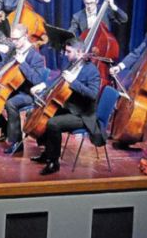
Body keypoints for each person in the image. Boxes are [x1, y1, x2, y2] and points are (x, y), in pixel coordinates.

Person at [30, 39, 102, 175]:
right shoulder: (71, 64)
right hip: (70, 107)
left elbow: (92, 95)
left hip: (83, 114)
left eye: (69, 51)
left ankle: (53, 162)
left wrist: (73, 81)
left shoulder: (92, 71)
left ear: (80, 52)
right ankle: (47, 152)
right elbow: (58, 78)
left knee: (53, 123)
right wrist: (43, 85)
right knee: (45, 115)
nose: (65, 54)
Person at [0, 24, 49, 155]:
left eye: (16, 39)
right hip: (12, 87)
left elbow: (36, 79)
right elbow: (3, 63)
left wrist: (23, 64)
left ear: (25, 37)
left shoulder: (35, 56)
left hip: (28, 92)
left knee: (11, 104)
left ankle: (16, 143)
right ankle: (4, 128)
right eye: (12, 39)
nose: (13, 42)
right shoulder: (14, 49)